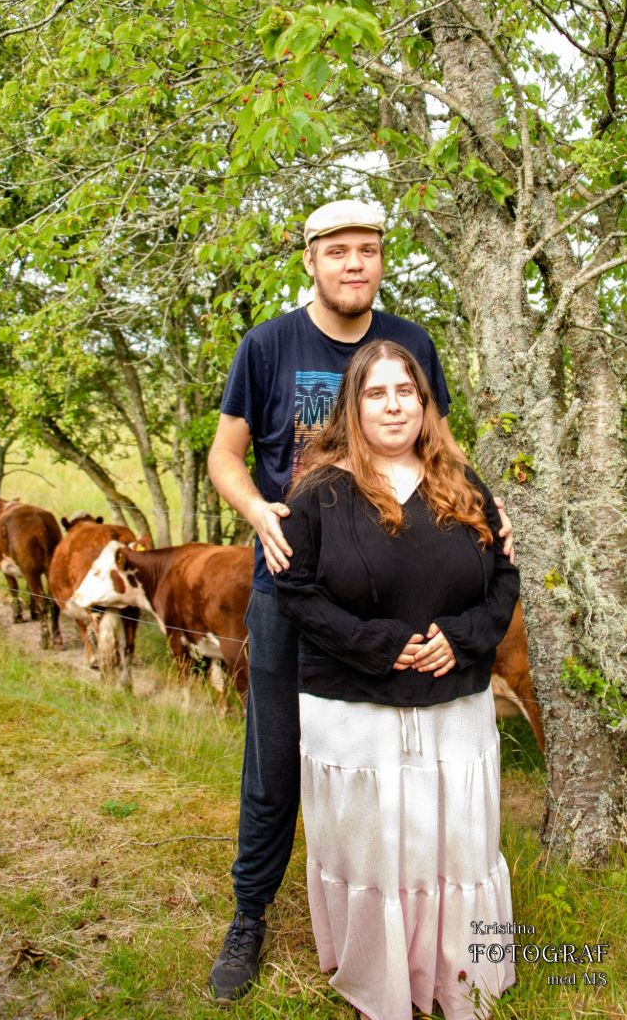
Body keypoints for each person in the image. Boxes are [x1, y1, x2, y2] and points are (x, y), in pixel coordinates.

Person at [206, 199, 513, 1003]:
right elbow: (225, 454)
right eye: (337, 250)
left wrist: (487, 510)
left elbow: (440, 444)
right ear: (310, 260)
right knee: (275, 762)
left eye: (367, 250)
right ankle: (249, 915)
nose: (353, 263)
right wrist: (258, 510)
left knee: (404, 767)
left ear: (381, 260)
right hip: (293, 583)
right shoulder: (268, 345)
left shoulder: (411, 343)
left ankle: (414, 928)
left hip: (398, 585)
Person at [274, 341, 519, 1020]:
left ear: (423, 402)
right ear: (353, 406)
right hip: (356, 707)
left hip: (453, 703)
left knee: (454, 844)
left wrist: (462, 639)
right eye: (376, 393)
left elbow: (504, 578)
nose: (392, 406)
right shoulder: (320, 493)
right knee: (378, 849)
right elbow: (295, 590)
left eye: (404, 392)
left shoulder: (464, 484)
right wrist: (376, 645)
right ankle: (379, 980)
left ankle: (460, 975)